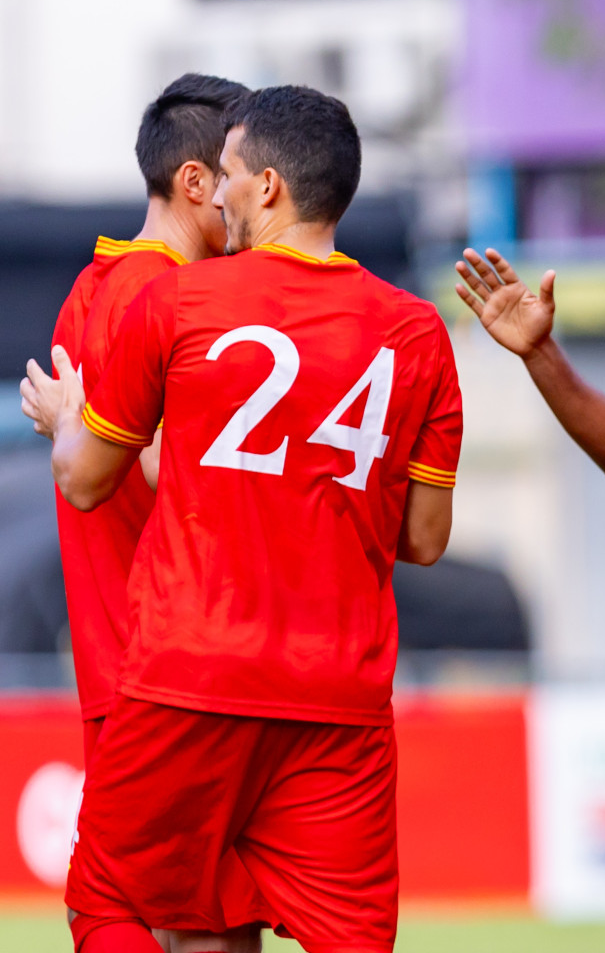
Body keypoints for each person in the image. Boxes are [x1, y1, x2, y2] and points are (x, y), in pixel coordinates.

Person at [20, 85, 462, 953]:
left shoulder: (177, 301)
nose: (216, 194)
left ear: (267, 187)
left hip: (190, 673)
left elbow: (82, 483)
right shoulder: (416, 332)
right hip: (341, 693)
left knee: (106, 902)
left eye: (227, 173)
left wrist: (68, 421)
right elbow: (424, 540)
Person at [43, 72, 266, 953]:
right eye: (248, 173)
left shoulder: (95, 287)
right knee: (191, 917)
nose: (261, 197)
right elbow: (139, 471)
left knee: (178, 911)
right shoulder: (165, 297)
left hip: (135, 653)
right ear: (198, 184)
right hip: (167, 657)